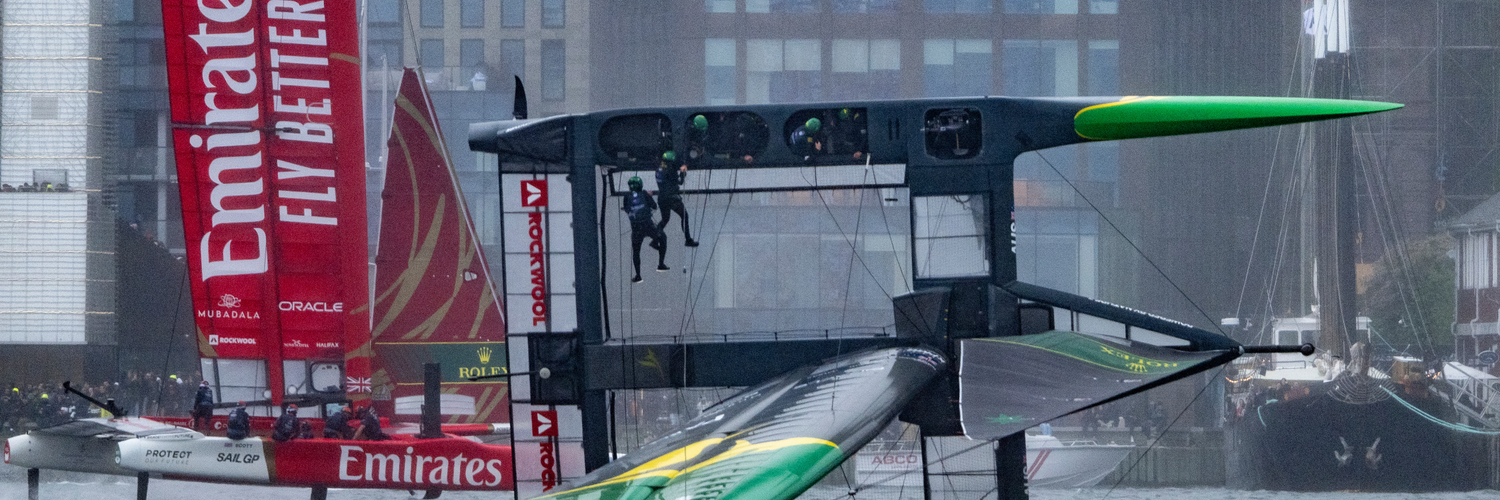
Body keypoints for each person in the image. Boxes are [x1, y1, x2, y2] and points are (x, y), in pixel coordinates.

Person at [622, 176, 667, 283]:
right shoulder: (644, 194)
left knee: (636, 252)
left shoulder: (626, 197)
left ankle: (638, 275)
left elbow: (627, 209)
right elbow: (654, 206)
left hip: (636, 229)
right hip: (648, 226)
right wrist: (649, 196)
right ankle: (660, 264)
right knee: (663, 238)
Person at [655, 151, 698, 248]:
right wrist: (682, 173)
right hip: (671, 198)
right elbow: (680, 182)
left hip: (662, 198)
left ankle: (655, 239)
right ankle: (688, 240)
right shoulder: (671, 170)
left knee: (665, 220)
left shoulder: (658, 169)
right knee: (685, 216)